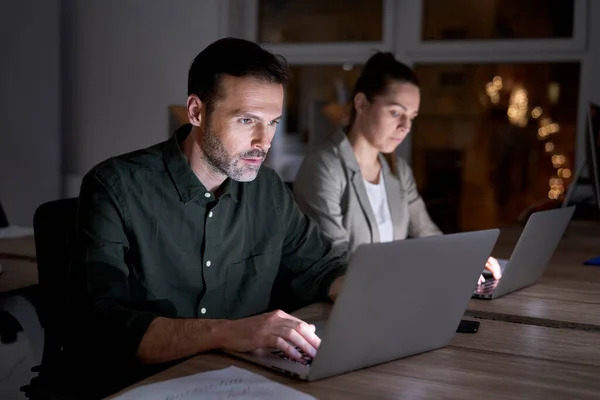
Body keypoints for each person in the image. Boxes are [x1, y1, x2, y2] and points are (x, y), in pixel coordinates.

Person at [68, 38, 347, 398]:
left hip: (245, 382)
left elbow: (321, 268)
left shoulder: (268, 190)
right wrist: (228, 332)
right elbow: (102, 328)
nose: (264, 141)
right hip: (140, 385)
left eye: (272, 122)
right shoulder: (115, 187)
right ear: (197, 112)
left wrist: (362, 295)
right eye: (247, 120)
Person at [293, 52, 501, 282]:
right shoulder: (324, 167)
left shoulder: (398, 170)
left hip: (389, 292)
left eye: (411, 117)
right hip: (340, 301)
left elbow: (426, 233)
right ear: (361, 103)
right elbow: (336, 261)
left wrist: (463, 258)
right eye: (395, 113)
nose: (405, 126)